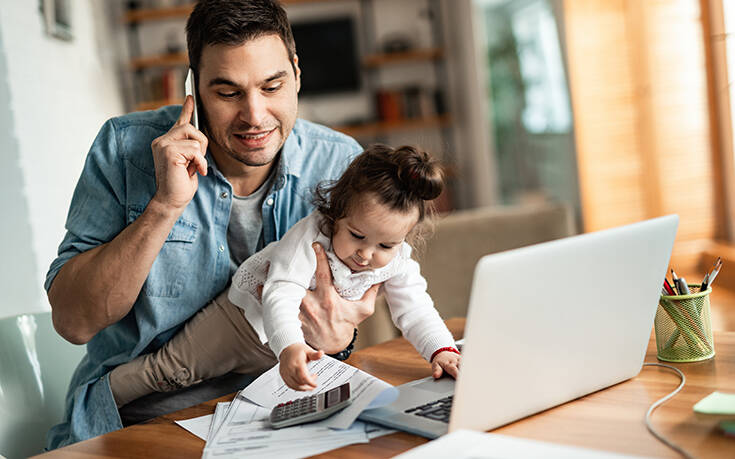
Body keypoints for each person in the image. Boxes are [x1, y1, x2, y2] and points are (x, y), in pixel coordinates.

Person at [44, 0, 377, 449]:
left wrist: (342, 338)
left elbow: (347, 310)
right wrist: (164, 206)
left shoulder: (340, 163)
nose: (255, 116)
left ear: (296, 73)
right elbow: (74, 322)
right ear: (194, 89)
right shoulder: (124, 150)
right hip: (143, 418)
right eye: (227, 93)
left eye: (272, 86)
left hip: (286, 408)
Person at [108, 145, 461, 406]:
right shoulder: (311, 236)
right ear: (336, 213)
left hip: (285, 349)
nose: (366, 255)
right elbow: (280, 293)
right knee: (170, 372)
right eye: (356, 236)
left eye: (386, 244)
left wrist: (441, 350)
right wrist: (291, 347)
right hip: (241, 322)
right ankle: (104, 396)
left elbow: (415, 308)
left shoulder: (396, 260)